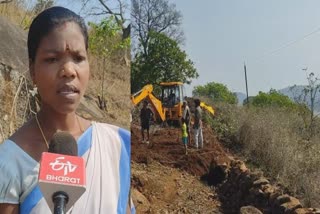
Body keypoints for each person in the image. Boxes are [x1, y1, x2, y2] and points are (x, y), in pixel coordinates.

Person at [0, 7, 133, 214]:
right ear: (32, 69)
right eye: (52, 59)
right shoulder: (10, 162)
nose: (69, 71)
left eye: (79, 58)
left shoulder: (118, 146)